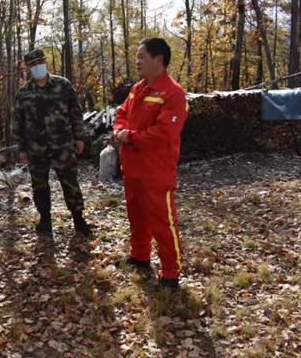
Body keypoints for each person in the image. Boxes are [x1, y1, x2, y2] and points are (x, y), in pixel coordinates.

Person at [112, 38, 189, 292]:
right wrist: (119, 130)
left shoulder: (173, 93)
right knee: (136, 216)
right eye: (137, 57)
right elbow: (122, 113)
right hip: (132, 167)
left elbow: (163, 133)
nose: (137, 61)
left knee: (162, 222)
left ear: (159, 59)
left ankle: (171, 274)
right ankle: (140, 256)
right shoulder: (138, 88)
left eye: (141, 56)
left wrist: (129, 137)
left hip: (156, 171)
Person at [12, 49, 94, 235]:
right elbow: (17, 122)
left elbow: (75, 113)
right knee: (39, 185)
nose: (38, 66)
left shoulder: (63, 85)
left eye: (40, 61)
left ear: (45, 61)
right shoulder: (23, 93)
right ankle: (44, 219)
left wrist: (79, 138)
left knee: (70, 182)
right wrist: (22, 148)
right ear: (28, 68)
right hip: (36, 148)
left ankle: (79, 219)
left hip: (62, 146)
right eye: (33, 64)